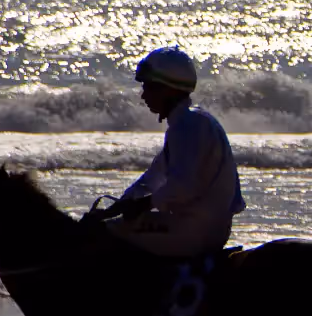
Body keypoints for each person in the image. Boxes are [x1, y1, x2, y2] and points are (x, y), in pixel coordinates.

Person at [98, 47, 245, 260]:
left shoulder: (188, 125)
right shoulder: (192, 121)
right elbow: (151, 179)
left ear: (168, 90)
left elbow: (183, 187)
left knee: (103, 233)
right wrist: (116, 207)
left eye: (148, 87)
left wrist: (141, 205)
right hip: (208, 228)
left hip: (191, 232)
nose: (143, 95)